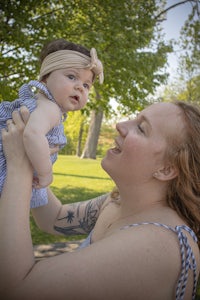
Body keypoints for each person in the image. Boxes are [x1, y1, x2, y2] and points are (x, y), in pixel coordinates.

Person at [0, 100, 200, 300]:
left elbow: (16, 289)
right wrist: (34, 158)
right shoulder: (116, 202)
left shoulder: (157, 246)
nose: (120, 125)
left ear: (166, 169)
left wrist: (19, 166)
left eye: (141, 128)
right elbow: (54, 218)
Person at [0, 38, 104, 208]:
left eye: (86, 85)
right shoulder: (50, 109)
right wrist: (46, 173)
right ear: (45, 78)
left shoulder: (41, 104)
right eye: (72, 77)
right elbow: (32, 134)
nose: (79, 87)